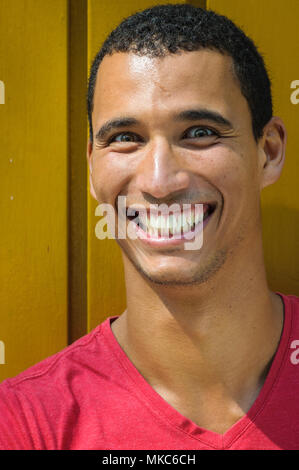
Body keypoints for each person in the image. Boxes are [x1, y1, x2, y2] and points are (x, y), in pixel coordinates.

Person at [0, 3, 298, 450]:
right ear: (92, 166)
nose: (160, 182)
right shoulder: (27, 425)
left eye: (199, 132)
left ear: (268, 152)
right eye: (125, 139)